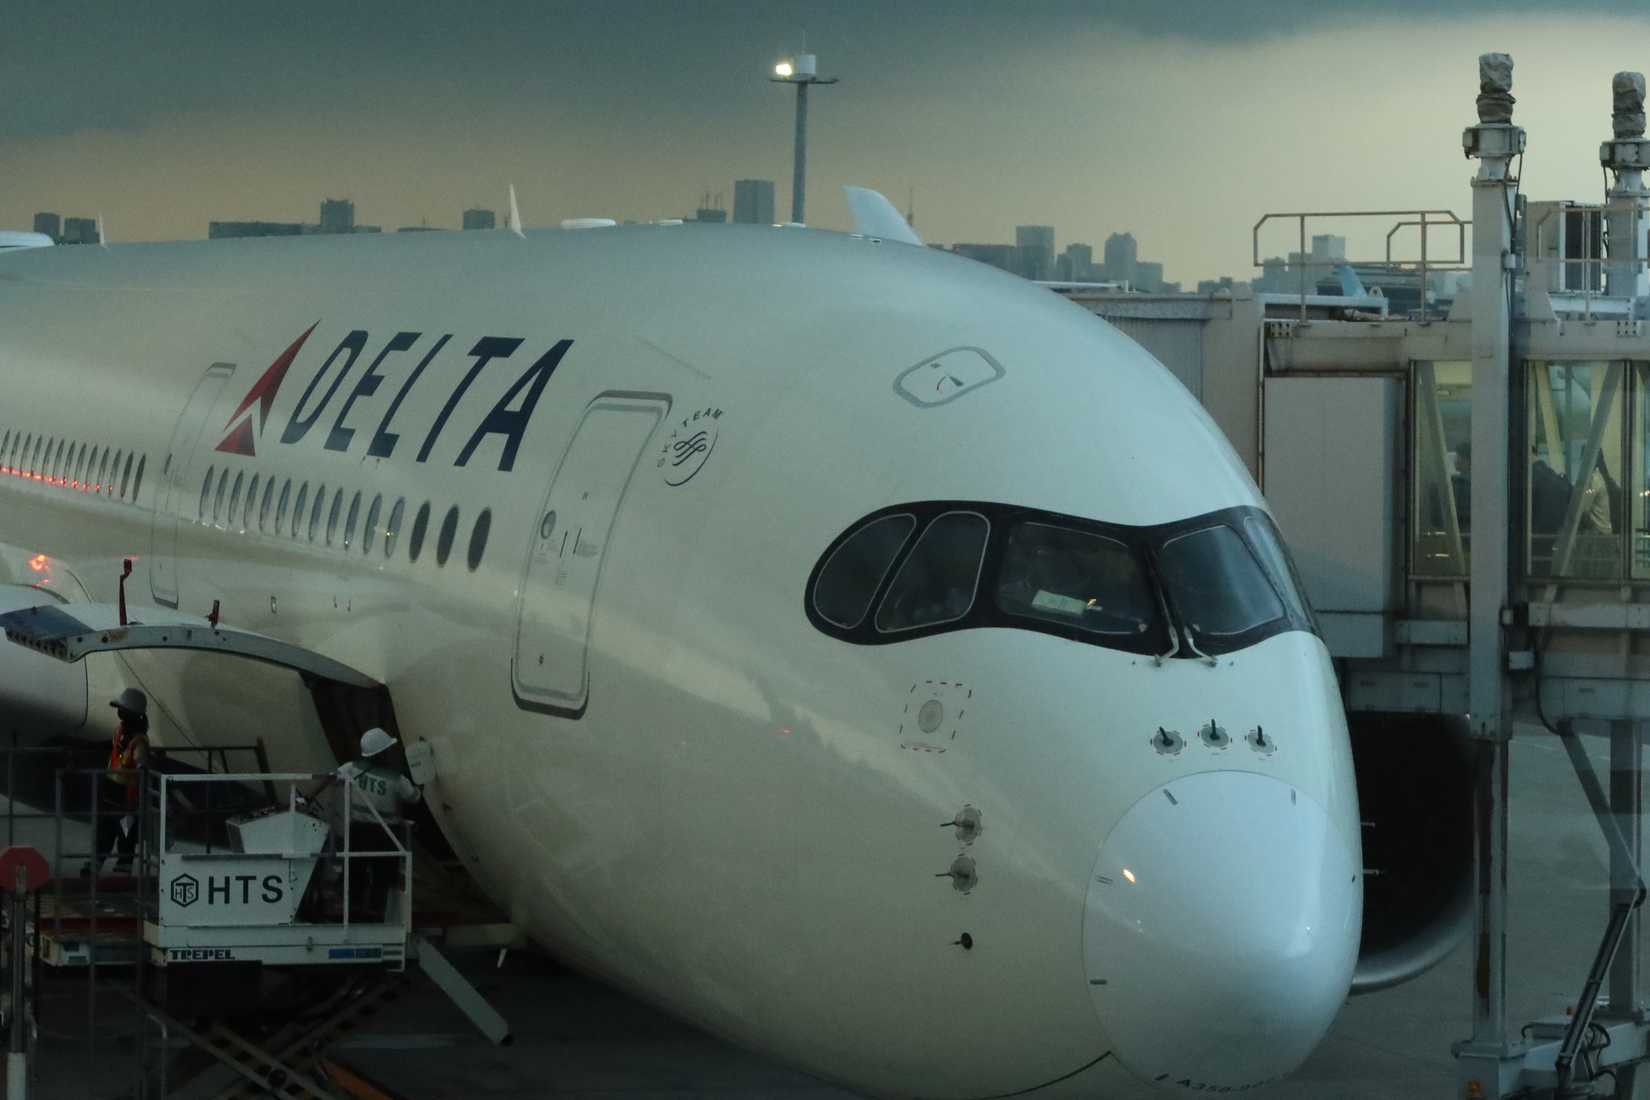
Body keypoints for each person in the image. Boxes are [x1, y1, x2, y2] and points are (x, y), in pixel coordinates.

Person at [311, 728, 421, 920]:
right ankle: (377, 910)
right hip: (384, 833)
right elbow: (414, 798)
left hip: (357, 830)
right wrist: (422, 785)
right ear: (382, 752)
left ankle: (353, 907)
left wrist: (307, 797)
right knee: (383, 875)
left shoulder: (351, 768)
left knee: (355, 870)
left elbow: (329, 777)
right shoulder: (396, 779)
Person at [86, 687, 149, 876]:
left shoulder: (139, 741)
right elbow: (111, 746)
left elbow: (141, 767)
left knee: (126, 830)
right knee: (104, 827)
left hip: (127, 795)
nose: (119, 713)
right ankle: (96, 861)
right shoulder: (119, 732)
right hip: (110, 789)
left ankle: (124, 865)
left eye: (122, 710)